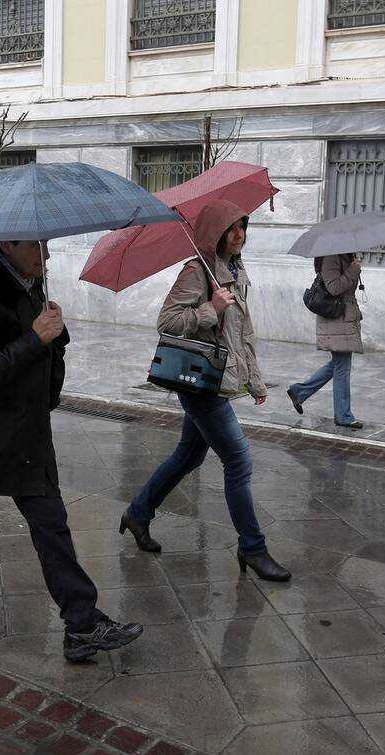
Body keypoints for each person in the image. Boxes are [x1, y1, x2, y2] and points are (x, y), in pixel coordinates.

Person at [0, 238, 142, 663]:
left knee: (51, 525)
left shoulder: (30, 287)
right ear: (8, 244)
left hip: (24, 431)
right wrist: (35, 339)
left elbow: (38, 359)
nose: (47, 253)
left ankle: (82, 624)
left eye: (47, 243)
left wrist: (54, 339)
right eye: (38, 245)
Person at [120, 200, 290, 582]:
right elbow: (167, 321)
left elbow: (243, 333)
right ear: (216, 233)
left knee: (189, 456)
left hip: (217, 379)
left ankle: (138, 513)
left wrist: (255, 380)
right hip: (200, 383)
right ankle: (252, 548)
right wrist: (210, 308)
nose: (239, 234)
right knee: (239, 461)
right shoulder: (197, 271)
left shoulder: (234, 269)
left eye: (243, 226)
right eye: (232, 228)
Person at [287, 253, 365, 428]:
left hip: (344, 318)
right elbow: (333, 288)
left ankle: (299, 392)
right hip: (335, 318)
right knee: (342, 366)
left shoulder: (346, 255)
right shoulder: (331, 257)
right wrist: (353, 270)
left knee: (339, 364)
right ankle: (343, 415)